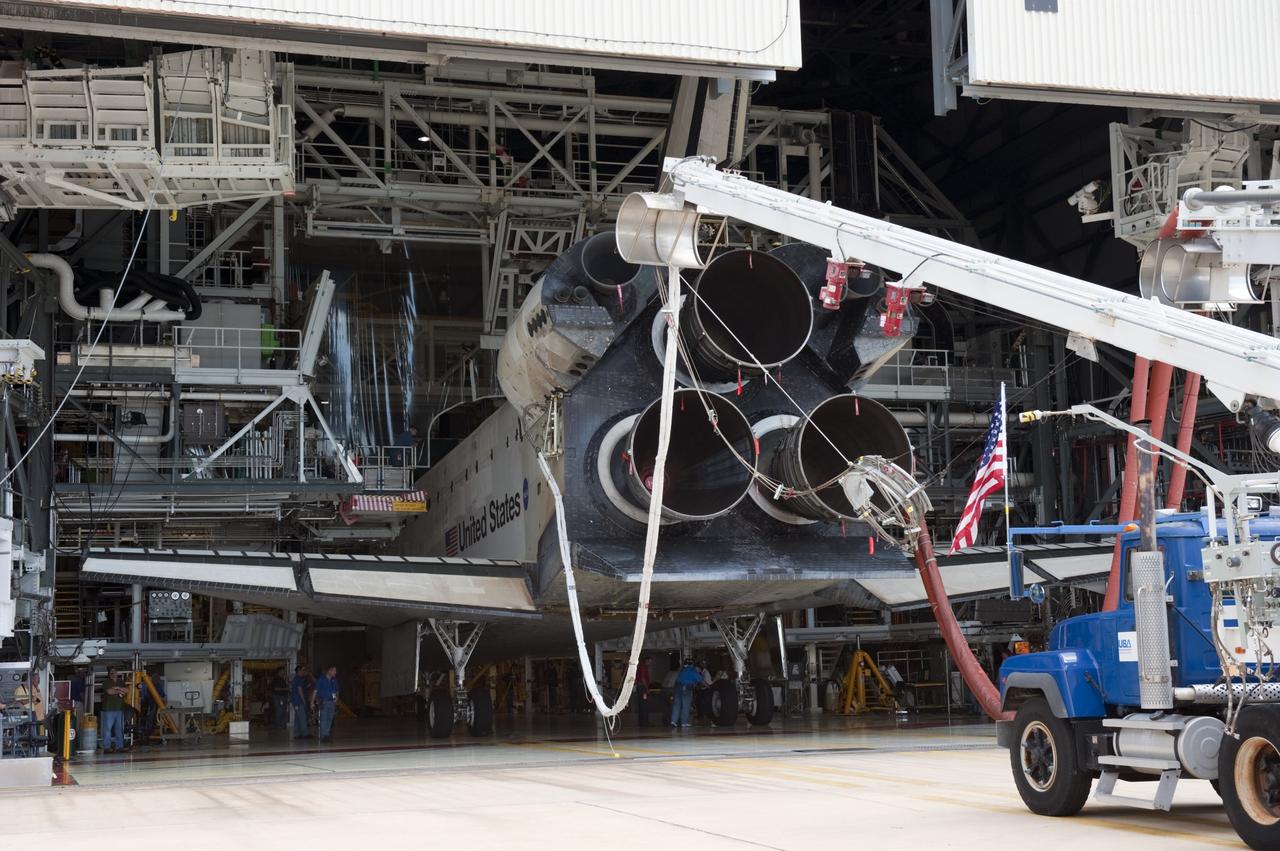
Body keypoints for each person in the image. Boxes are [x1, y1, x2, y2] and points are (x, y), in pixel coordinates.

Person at [100, 667, 128, 754]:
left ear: (117, 672)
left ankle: (120, 746)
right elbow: (109, 691)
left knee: (119, 728)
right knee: (107, 729)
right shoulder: (106, 682)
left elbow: (127, 690)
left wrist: (117, 688)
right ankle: (107, 747)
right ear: (108, 674)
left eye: (114, 671)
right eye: (111, 672)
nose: (112, 673)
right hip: (108, 709)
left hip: (119, 709)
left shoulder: (121, 682)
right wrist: (120, 691)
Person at [312, 665, 339, 741]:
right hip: (324, 701)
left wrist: (336, 698)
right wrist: (312, 702)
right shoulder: (321, 680)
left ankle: (327, 734)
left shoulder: (334, 680)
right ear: (329, 671)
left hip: (332, 702)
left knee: (330, 718)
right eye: (334, 671)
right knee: (324, 718)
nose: (335, 672)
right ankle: (324, 735)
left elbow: (336, 690)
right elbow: (315, 691)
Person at [671, 659, 701, 728]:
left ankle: (673, 721)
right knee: (686, 706)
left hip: (677, 687)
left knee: (676, 705)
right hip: (686, 688)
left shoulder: (682, 670)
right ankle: (684, 722)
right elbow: (701, 680)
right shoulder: (693, 670)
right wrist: (709, 686)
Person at [290, 664, 312, 739]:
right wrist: (303, 700)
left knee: (297, 718)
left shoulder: (296, 679)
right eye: (302, 670)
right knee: (302, 717)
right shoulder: (299, 679)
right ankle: (305, 733)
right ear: (299, 671)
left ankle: (297, 734)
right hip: (298, 701)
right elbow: (299, 690)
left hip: (295, 701)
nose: (304, 672)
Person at [634, 656, 652, 727]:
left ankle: (642, 722)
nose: (650, 663)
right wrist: (647, 688)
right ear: (646, 660)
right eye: (650, 661)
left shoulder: (640, 666)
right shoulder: (644, 667)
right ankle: (645, 722)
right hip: (642, 688)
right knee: (644, 704)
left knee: (641, 705)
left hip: (640, 687)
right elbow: (643, 678)